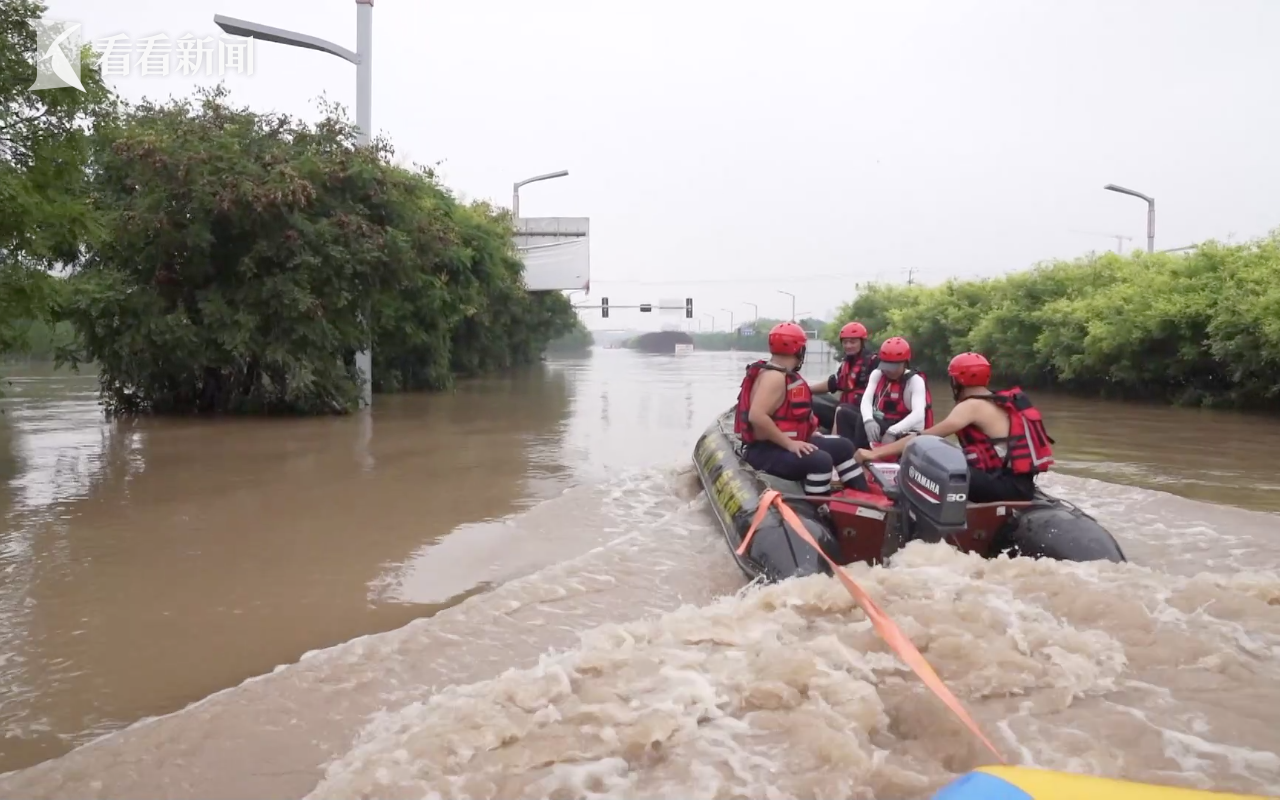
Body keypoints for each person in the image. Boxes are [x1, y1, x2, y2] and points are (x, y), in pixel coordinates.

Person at [854, 352, 1056, 503]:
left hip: (1004, 486)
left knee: (926, 466)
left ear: (957, 380)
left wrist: (874, 454)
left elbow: (921, 438)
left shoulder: (971, 406)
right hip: (1019, 484)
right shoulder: (998, 401)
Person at [733, 322, 865, 496]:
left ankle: (862, 496)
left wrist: (809, 433)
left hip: (780, 444)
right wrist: (790, 444)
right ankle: (819, 507)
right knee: (821, 461)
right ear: (799, 349)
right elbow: (757, 416)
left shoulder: (781, 373)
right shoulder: (774, 377)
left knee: (843, 446)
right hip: (764, 450)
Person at [813, 321, 878, 445]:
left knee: (841, 409)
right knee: (811, 399)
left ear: (862, 342)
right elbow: (833, 384)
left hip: (862, 415)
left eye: (852, 342)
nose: (848, 346)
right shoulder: (847, 362)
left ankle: (835, 444)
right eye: (845, 342)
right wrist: (806, 388)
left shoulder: (874, 362)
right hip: (844, 408)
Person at [860, 336, 933, 446]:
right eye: (886, 366)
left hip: (907, 431)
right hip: (886, 422)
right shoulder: (877, 374)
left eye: (894, 367)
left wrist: (893, 431)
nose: (889, 371)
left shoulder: (915, 381)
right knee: (851, 415)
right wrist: (868, 420)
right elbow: (866, 400)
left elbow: (918, 414)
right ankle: (859, 451)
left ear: (905, 363)